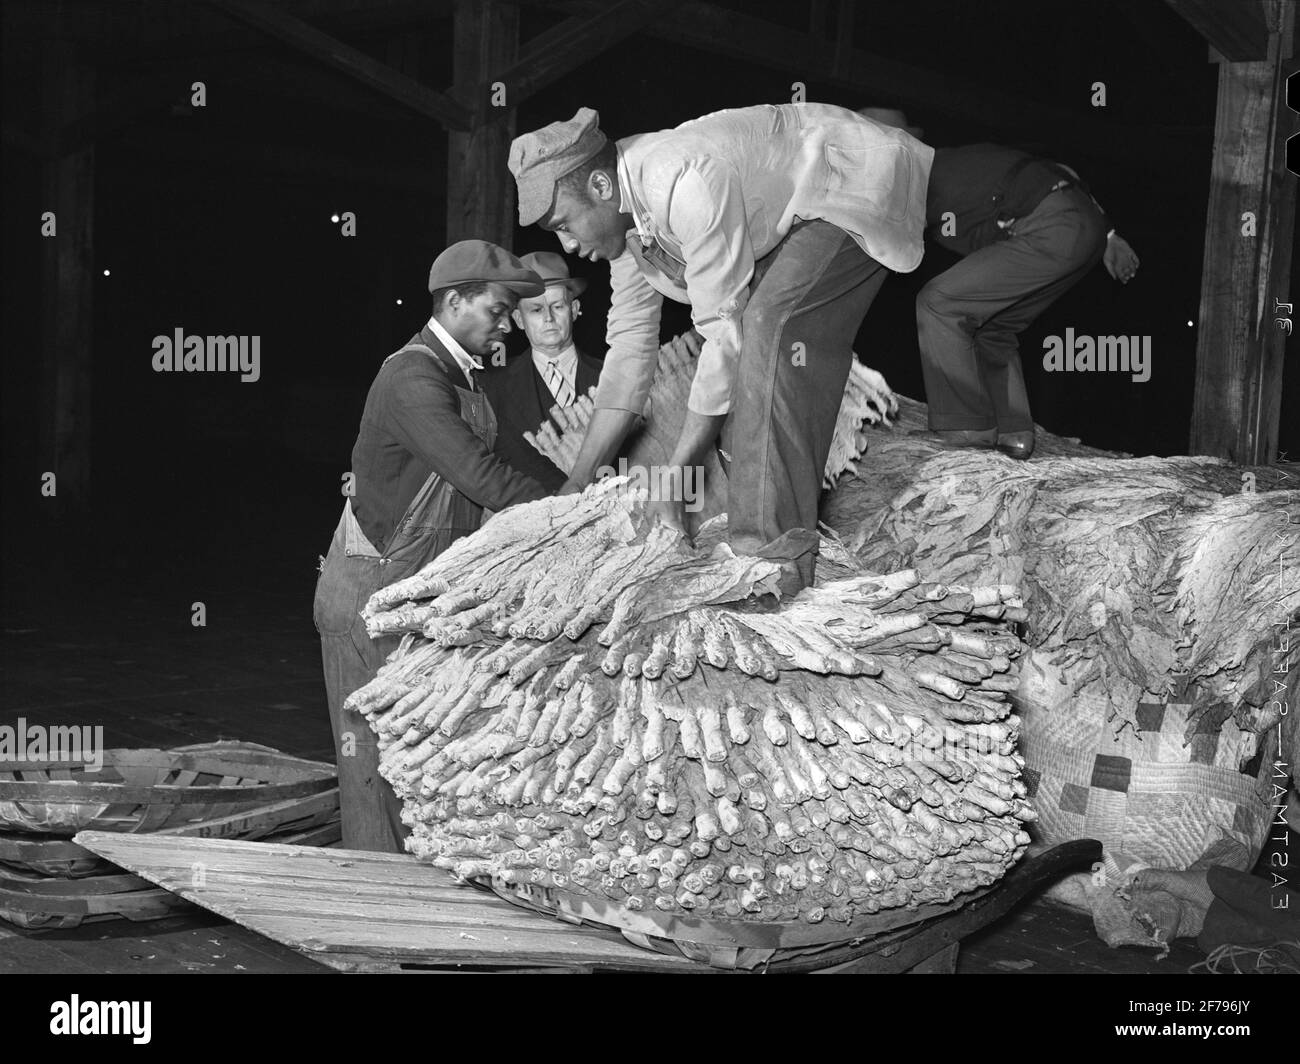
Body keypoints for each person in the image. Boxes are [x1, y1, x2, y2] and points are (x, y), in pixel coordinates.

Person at [507, 103, 933, 593]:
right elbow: (629, 353)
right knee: (745, 375)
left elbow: (722, 331)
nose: (567, 245)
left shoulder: (683, 180)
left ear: (601, 188)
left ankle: (773, 562)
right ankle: (751, 524)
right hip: (785, 215)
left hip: (846, 183)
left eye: (564, 224)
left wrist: (678, 470)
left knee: (768, 327)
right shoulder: (627, 223)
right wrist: (576, 486)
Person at [312, 240, 551, 852]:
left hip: (418, 596)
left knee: (417, 763)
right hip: (372, 597)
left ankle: (414, 905)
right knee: (374, 767)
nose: (506, 325)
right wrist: (577, 510)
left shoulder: (460, 375)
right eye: (498, 310)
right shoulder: (412, 377)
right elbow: (483, 478)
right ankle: (374, 922)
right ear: (453, 300)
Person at [859, 107, 1141, 459]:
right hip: (1078, 230)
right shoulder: (959, 164)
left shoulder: (923, 174)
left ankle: (964, 428)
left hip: (1052, 227)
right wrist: (1108, 235)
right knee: (993, 327)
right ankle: (1014, 433)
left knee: (939, 302)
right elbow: (1063, 171)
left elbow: (882, 248)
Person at [481, 252, 604, 490]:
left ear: (575, 309)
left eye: (557, 306)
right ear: (518, 319)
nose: (548, 317)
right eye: (536, 310)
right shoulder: (492, 388)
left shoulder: (612, 376)